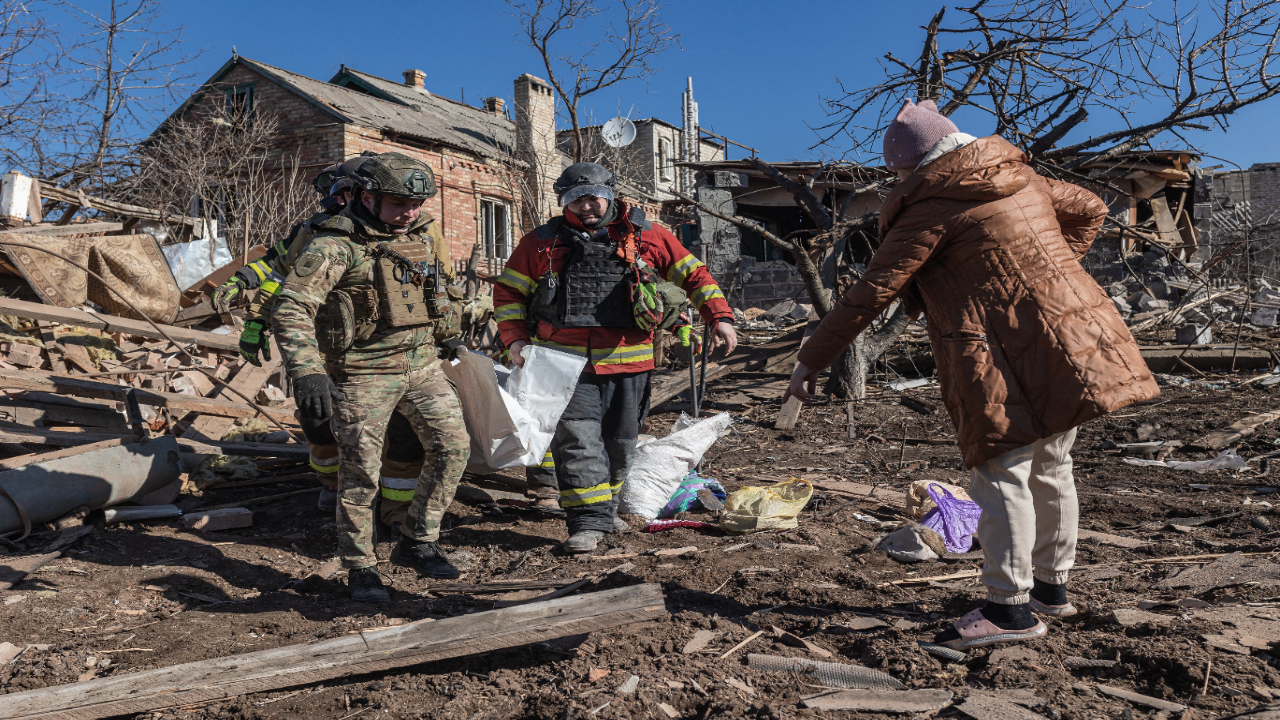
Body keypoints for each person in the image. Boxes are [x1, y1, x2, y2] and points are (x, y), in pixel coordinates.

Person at [785, 99, 1159, 649]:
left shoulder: (932, 205)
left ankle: (1009, 611)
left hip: (995, 352)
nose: (897, 182)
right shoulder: (1018, 177)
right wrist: (1053, 274)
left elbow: (872, 291)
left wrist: (811, 358)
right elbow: (1091, 208)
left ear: (912, 164)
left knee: (1000, 470)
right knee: (1052, 464)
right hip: (1070, 334)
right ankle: (1050, 590)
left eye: (896, 173)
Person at [493, 162, 737, 553]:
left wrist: (719, 317)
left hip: (630, 362)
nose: (585, 206)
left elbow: (695, 276)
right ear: (563, 201)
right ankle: (588, 523)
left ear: (610, 194)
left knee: (620, 444)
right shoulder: (540, 243)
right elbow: (508, 293)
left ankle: (606, 510)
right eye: (575, 199)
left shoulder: (649, 235)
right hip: (564, 367)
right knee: (578, 443)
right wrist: (515, 340)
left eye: (593, 197)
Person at [273, 152, 470, 603]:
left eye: (416, 205)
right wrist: (307, 371)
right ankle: (360, 565)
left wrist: (449, 335)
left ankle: (418, 540)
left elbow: (435, 294)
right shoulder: (335, 245)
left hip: (421, 367)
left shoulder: (418, 237)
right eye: (400, 204)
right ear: (367, 197)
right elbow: (292, 308)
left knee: (453, 448)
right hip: (363, 373)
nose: (410, 213)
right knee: (361, 473)